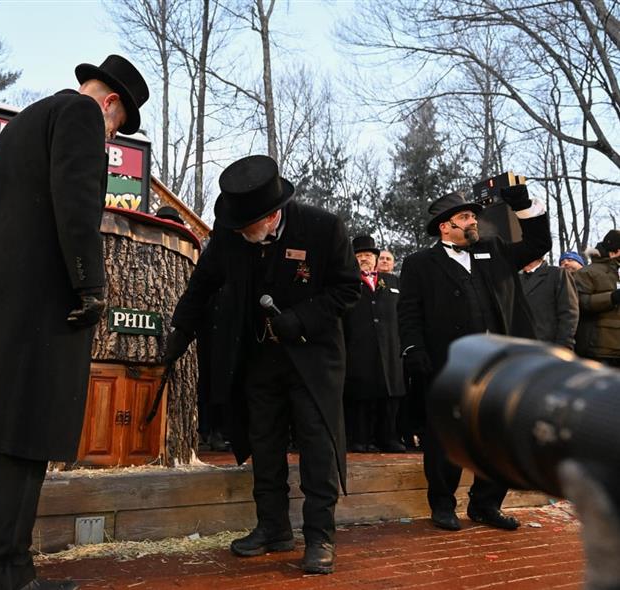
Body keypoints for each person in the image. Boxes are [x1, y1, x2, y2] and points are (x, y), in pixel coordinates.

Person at [0, 55, 149, 590]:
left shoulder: (27, 118)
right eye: (117, 127)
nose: (110, 137)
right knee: (26, 432)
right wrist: (91, 283)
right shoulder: (82, 115)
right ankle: (6, 573)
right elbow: (77, 203)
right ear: (110, 103)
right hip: (40, 298)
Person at [164, 154, 360, 575]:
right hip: (258, 361)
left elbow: (348, 290)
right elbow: (202, 286)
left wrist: (302, 319)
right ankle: (272, 528)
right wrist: (180, 332)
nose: (238, 234)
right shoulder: (232, 235)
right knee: (264, 447)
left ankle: (320, 536)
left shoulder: (324, 229)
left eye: (246, 226)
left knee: (316, 449)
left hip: (312, 360)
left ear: (271, 217)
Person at [398, 187, 550, 532]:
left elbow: (538, 244)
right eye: (465, 217)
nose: (472, 222)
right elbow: (409, 313)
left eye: (473, 216)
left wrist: (522, 205)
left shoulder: (492, 250)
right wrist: (413, 350)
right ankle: (442, 504)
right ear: (444, 226)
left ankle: (485, 505)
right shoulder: (420, 264)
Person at [343, 235, 405, 453]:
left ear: (376, 258)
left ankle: (388, 438)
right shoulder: (347, 283)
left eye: (368, 255)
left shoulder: (394, 282)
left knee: (390, 396)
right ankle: (359, 439)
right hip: (359, 348)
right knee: (361, 397)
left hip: (391, 348)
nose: (364, 259)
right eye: (359, 256)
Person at [573, 230, 620, 368]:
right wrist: (612, 298)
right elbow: (579, 302)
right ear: (616, 251)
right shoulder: (587, 272)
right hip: (600, 349)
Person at [519, 257, 579, 350]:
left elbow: (569, 313)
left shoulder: (557, 274)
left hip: (548, 346)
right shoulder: (515, 278)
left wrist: (563, 347)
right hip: (518, 347)